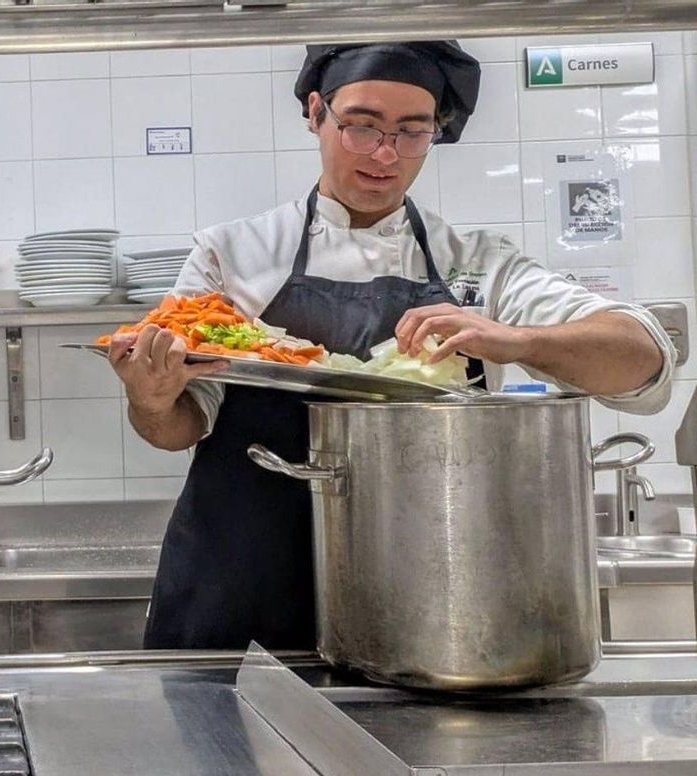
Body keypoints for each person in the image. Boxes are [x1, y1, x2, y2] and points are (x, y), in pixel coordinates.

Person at [111, 41, 674, 651]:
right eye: (362, 126)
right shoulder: (233, 254)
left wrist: (514, 339)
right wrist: (152, 399)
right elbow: (177, 426)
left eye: (413, 132)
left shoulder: (478, 265)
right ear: (315, 112)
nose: (386, 154)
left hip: (427, 595)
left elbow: (639, 356)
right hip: (240, 581)